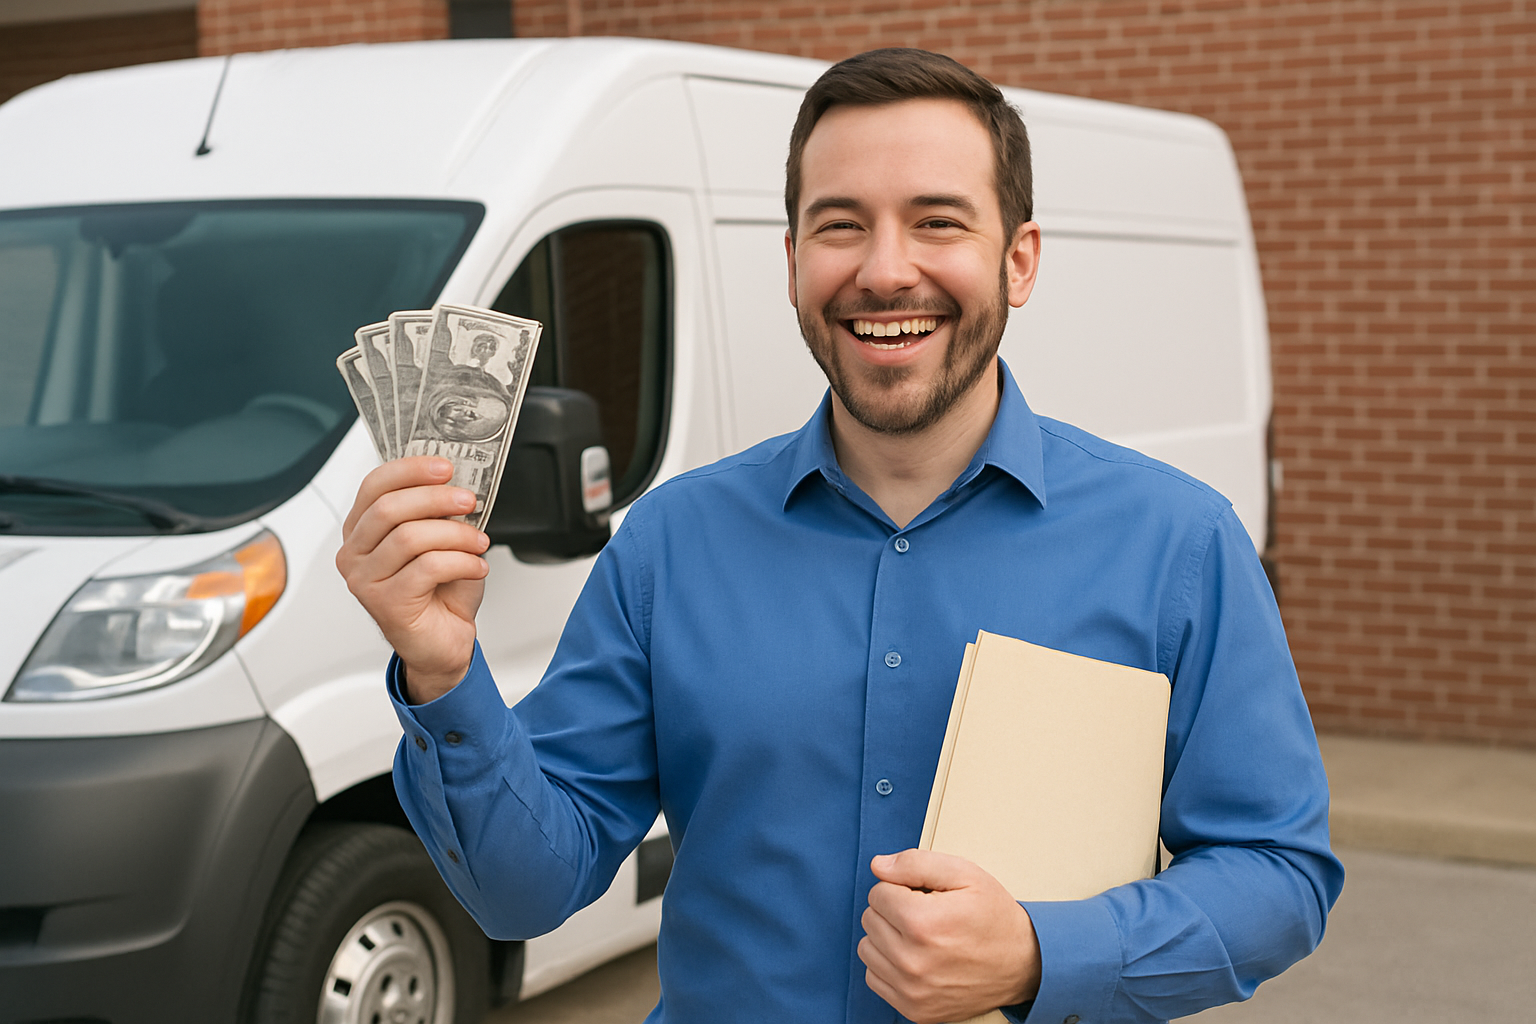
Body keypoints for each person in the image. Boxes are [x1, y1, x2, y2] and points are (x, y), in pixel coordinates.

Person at [337, 48, 1343, 1024]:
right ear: (792, 262)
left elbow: (1279, 875)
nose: (884, 269)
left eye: (938, 221)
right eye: (840, 225)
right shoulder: (671, 545)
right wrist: (443, 673)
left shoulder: (1178, 545)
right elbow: (527, 892)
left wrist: (1042, 951)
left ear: (1019, 259)